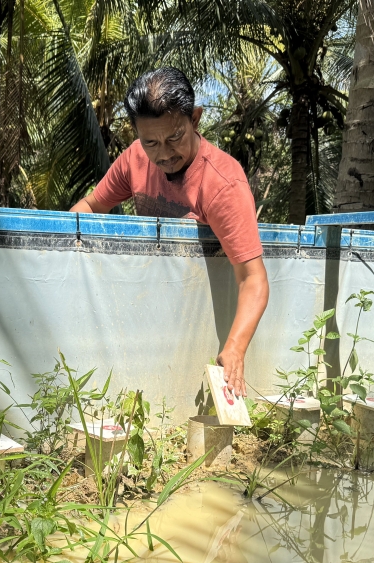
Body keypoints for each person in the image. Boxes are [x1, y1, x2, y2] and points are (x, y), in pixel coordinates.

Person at [70, 67, 269, 397]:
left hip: (193, 326)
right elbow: (89, 208)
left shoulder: (222, 184)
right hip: (140, 319)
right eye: (151, 141)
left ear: (195, 119)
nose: (163, 153)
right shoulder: (135, 158)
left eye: (174, 137)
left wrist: (234, 348)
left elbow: (253, 279)